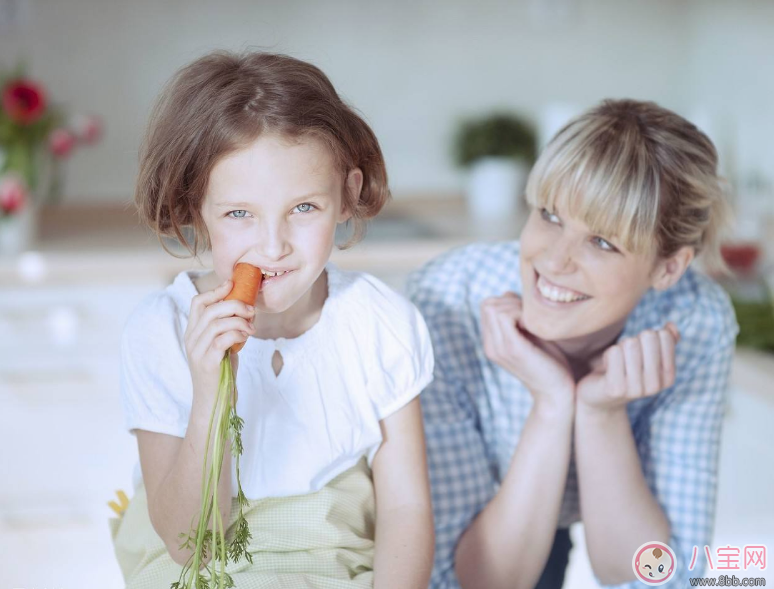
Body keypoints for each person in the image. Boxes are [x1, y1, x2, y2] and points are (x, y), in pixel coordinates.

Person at [110, 50, 434, 589]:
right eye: (239, 214)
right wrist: (211, 392)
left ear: (347, 195)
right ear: (196, 209)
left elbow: (406, 509)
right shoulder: (160, 331)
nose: (273, 245)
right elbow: (190, 544)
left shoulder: (380, 324)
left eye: (303, 208)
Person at [406, 99, 739, 589]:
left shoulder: (695, 322)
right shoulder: (448, 301)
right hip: (486, 526)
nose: (554, 261)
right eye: (550, 215)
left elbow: (663, 576)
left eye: (603, 242)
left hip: (571, 523)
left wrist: (601, 412)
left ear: (668, 268)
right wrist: (551, 402)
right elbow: (462, 581)